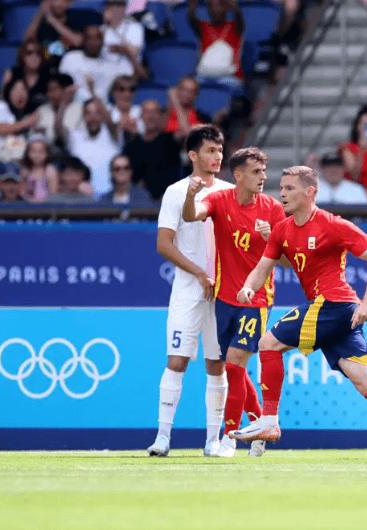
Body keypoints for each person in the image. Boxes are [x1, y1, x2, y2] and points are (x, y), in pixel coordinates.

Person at [227, 165, 367, 463]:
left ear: (309, 192)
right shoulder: (282, 230)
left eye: (289, 188)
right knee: (365, 380)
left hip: (333, 304)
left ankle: (269, 420)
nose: (282, 193)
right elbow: (263, 267)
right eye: (282, 187)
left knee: (267, 344)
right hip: (337, 314)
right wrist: (248, 287)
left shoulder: (332, 224)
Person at [181, 147, 286, 457]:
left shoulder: (272, 209)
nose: (263, 177)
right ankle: (259, 428)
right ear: (238, 175)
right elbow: (191, 215)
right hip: (224, 298)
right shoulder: (219, 200)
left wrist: (270, 239)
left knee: (236, 362)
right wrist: (190, 195)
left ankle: (229, 439)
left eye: (264, 171)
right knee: (233, 368)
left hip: (257, 299)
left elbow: (288, 261)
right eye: (256, 172)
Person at [147, 124, 234, 458]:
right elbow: (163, 244)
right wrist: (199, 273)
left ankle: (213, 440)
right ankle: (163, 437)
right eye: (210, 151)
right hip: (188, 289)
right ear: (193, 155)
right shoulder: (176, 192)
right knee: (177, 360)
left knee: (217, 364)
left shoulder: (231, 192)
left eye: (220, 150)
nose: (217, 156)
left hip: (223, 293)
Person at [59, 25, 145, 104]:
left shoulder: (112, 62)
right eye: (90, 38)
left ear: (103, 41)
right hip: (74, 108)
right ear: (83, 40)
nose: (94, 42)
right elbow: (60, 86)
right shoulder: (70, 58)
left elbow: (141, 75)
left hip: (101, 109)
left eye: (98, 38)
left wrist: (127, 52)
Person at [57, 94, 122, 198]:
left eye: (97, 113)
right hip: (81, 197)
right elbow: (58, 127)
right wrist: (64, 103)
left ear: (103, 114)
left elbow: (110, 122)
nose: (93, 117)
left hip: (110, 197)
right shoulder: (74, 136)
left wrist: (93, 92)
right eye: (88, 113)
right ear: (83, 116)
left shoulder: (113, 135)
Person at [124, 99, 184, 200]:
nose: (151, 116)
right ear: (141, 117)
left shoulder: (171, 140)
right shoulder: (132, 146)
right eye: (147, 112)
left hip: (168, 201)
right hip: (140, 203)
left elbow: (186, 132)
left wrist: (174, 100)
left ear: (161, 116)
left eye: (155, 112)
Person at [188, 0, 245, 87]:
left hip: (230, 76)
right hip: (205, 76)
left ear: (225, 9)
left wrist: (233, 6)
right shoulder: (203, 26)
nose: (215, 9)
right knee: (190, 85)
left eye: (219, 6)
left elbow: (238, 15)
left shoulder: (234, 26)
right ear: (208, 11)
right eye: (211, 6)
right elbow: (191, 17)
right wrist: (192, 5)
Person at [0, 79, 40, 164]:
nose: (20, 94)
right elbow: (1, 129)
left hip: (19, 161)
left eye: (24, 90)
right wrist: (26, 123)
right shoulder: (1, 106)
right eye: (16, 90)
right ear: (8, 93)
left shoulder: (29, 114)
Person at [24, 0, 85, 66]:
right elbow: (27, 39)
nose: (59, 4)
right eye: (55, 0)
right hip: (45, 67)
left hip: (70, 66)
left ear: (69, 3)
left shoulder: (76, 18)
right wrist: (41, 13)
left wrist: (52, 20)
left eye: (64, 1)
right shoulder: (41, 21)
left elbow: (77, 42)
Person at [1, 39, 51, 110]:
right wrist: (5, 84)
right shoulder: (13, 74)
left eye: (38, 53)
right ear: (22, 56)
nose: (34, 56)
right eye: (29, 53)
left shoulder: (48, 76)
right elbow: (2, 102)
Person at [35, 74, 83, 147]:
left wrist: (63, 104)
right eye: (48, 90)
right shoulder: (42, 110)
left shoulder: (80, 109)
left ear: (66, 90)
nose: (49, 94)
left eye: (53, 90)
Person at [102, 0, 145, 71]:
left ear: (123, 8)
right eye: (109, 5)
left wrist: (118, 48)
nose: (113, 8)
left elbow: (134, 51)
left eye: (118, 5)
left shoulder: (134, 27)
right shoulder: (102, 29)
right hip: (105, 70)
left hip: (128, 70)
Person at [21, 136, 59, 203]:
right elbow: (22, 192)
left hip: (46, 206)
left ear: (47, 153)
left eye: (41, 151)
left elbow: (53, 194)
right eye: (33, 151)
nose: (37, 155)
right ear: (27, 153)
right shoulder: (25, 170)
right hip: (28, 206)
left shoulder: (50, 170)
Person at [108, 75, 142, 141]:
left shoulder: (143, 112)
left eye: (132, 89)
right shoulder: (106, 112)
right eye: (121, 89)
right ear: (113, 93)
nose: (127, 94)